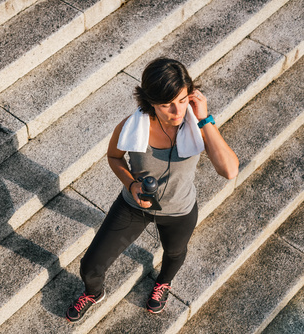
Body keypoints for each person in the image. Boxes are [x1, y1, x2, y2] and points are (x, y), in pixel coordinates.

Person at [66, 58, 239, 322]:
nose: (177, 111)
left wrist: (204, 119)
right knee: (90, 265)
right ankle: (94, 293)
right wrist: (132, 184)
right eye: (166, 104)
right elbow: (114, 157)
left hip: (179, 209)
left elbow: (229, 171)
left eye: (182, 100)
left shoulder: (197, 125)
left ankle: (163, 282)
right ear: (150, 102)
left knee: (174, 253)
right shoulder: (131, 127)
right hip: (134, 206)